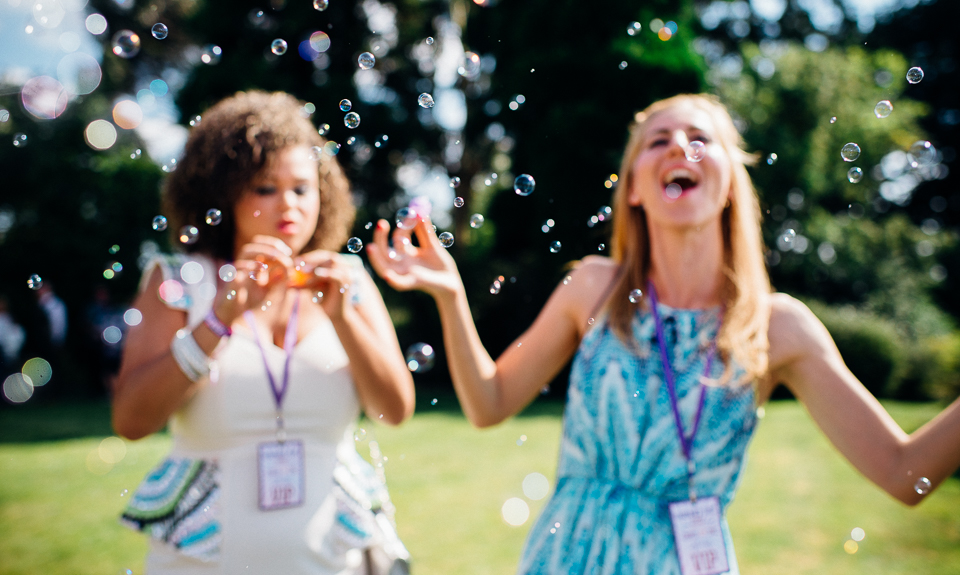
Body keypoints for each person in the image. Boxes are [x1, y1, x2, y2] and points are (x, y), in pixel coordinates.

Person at [367, 93, 960, 574]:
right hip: (566, 560)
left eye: (701, 139)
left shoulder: (778, 327)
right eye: (659, 140)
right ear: (633, 188)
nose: (680, 145)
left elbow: (906, 474)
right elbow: (489, 404)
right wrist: (450, 298)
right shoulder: (592, 290)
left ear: (730, 181)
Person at [112, 91, 415, 574]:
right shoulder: (178, 280)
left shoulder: (348, 279)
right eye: (264, 188)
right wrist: (217, 320)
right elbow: (131, 421)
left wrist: (343, 319)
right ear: (223, 193)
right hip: (202, 562)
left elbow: (394, 411)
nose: (288, 205)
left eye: (301, 187)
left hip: (335, 559)